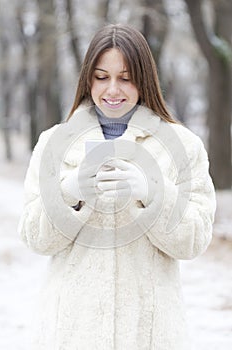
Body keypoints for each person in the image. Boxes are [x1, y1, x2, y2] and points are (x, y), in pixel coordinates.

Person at [18, 24, 216, 350]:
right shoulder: (53, 144)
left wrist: (154, 193)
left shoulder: (183, 146)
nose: (112, 89)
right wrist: (68, 192)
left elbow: (194, 241)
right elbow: (34, 237)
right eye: (101, 77)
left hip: (149, 335)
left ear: (144, 78)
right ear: (87, 80)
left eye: (125, 77)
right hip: (71, 332)